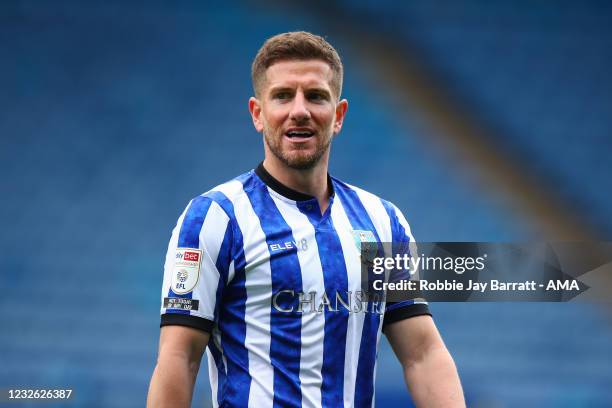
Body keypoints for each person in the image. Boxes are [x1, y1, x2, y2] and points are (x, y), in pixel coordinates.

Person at [147, 31, 464, 408]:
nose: (300, 110)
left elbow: (423, 353)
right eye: (283, 96)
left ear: (339, 115)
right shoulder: (215, 217)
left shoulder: (382, 222)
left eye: (315, 96)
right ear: (258, 114)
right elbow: (178, 359)